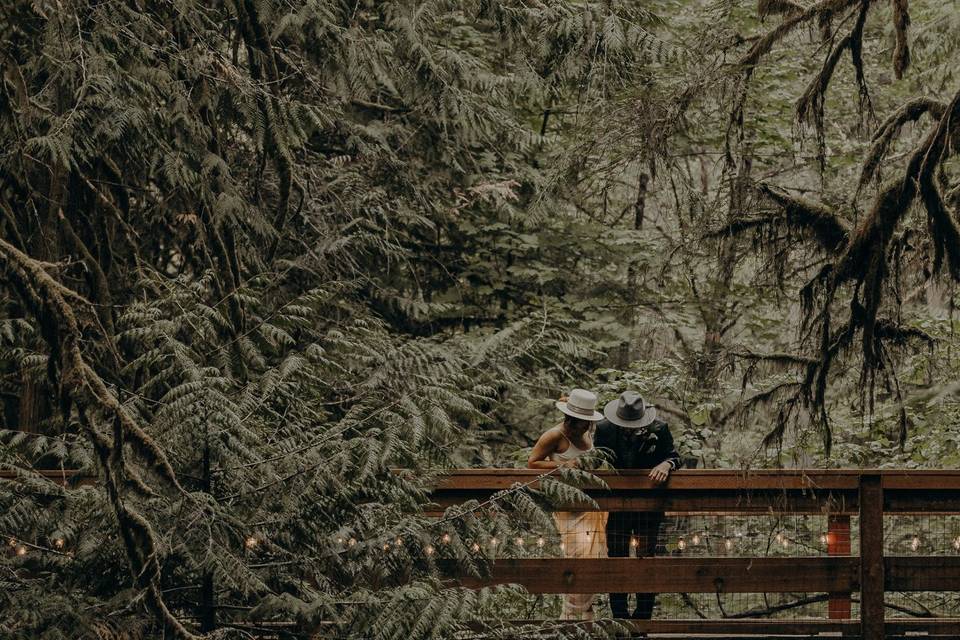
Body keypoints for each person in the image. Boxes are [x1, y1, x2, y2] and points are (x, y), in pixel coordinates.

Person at [594, 390, 682, 620]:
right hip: (616, 505)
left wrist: (667, 464)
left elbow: (675, 456)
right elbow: (596, 459)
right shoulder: (603, 429)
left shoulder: (659, 429)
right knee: (616, 559)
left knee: (647, 558)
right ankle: (620, 618)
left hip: (648, 507)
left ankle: (643, 618)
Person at [528, 388, 608, 620]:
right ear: (571, 419)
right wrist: (564, 465)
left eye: (588, 423)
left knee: (596, 559)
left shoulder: (588, 435)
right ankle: (571, 618)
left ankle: (586, 617)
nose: (586, 427)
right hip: (569, 508)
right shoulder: (554, 436)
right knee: (579, 558)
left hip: (592, 505)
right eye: (582, 422)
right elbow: (532, 463)